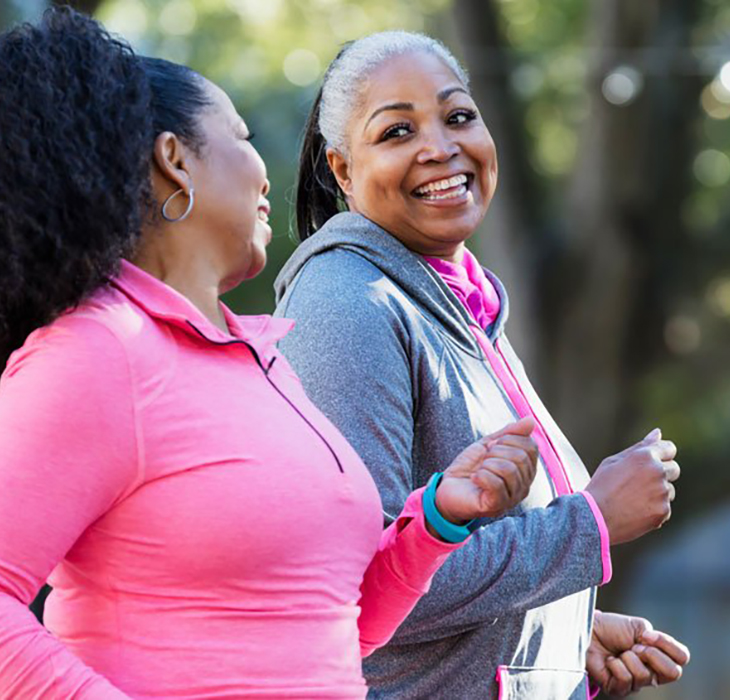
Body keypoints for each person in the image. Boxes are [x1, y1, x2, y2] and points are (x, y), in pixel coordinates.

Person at [0, 11, 541, 700]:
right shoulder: (99, 351)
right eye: (241, 138)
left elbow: (332, 624)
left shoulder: (262, 362)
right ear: (175, 160)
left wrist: (436, 520)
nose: (267, 176)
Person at [274, 31, 690, 699]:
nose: (440, 146)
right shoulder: (348, 303)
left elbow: (462, 568)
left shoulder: (458, 297)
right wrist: (590, 523)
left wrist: (563, 631)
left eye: (458, 115)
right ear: (344, 170)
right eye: (397, 131)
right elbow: (364, 584)